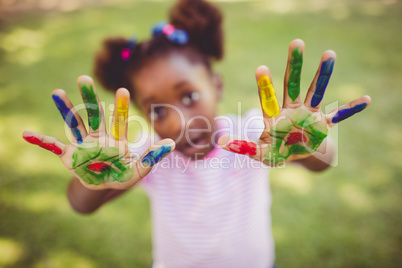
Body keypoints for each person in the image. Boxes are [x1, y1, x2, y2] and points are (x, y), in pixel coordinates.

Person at [22, 0, 371, 267]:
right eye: (158, 110)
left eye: (189, 96)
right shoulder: (146, 158)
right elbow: (80, 205)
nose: (178, 122)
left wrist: (307, 147)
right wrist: (93, 179)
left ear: (216, 86)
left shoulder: (253, 134)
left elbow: (321, 165)